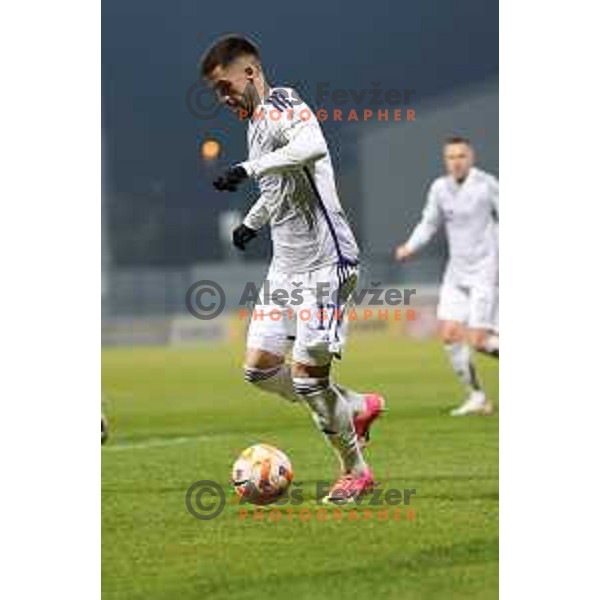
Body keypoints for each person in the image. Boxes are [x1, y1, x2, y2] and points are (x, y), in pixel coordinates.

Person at [201, 35, 384, 500]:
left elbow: (312, 148)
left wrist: (244, 169)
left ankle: (355, 470)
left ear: (250, 72)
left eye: (225, 86)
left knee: (306, 378)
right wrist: (251, 222)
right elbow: (280, 183)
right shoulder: (256, 122)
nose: (223, 98)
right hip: (286, 267)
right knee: (259, 370)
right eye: (216, 92)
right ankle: (357, 406)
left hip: (326, 263)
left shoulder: (284, 103)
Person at [395, 137, 499, 416]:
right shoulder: (440, 188)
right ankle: (477, 397)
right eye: (451, 156)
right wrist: (410, 246)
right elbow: (428, 222)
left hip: (486, 272)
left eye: (461, 155)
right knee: (451, 334)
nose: (457, 161)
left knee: (480, 341)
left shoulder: (486, 184)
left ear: (471, 157)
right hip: (456, 273)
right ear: (446, 160)